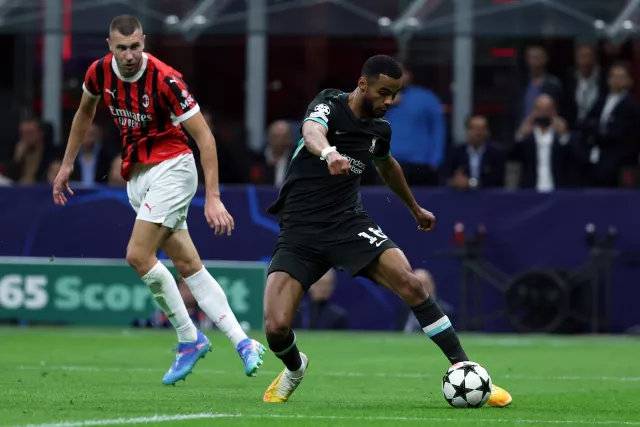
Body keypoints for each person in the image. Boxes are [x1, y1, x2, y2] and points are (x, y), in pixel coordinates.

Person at [262, 55, 512, 407]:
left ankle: (467, 368)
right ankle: (294, 368)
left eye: (395, 93)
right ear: (363, 84)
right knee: (275, 328)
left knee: (411, 283)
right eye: (383, 92)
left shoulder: (380, 130)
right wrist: (330, 153)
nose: (389, 101)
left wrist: (415, 208)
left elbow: (387, 165)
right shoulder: (329, 104)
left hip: (348, 223)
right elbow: (311, 131)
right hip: (300, 231)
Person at [52, 15, 265, 385]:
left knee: (137, 254)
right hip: (137, 177)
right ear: (110, 46)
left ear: (144, 41)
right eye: (122, 48)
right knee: (186, 263)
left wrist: (212, 197)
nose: (130, 55)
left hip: (174, 168)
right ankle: (242, 341)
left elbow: (205, 137)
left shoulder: (166, 79)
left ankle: (188, 338)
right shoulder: (99, 73)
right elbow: (84, 113)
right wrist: (66, 164)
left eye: (135, 46)